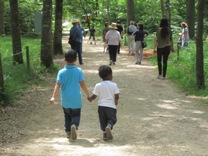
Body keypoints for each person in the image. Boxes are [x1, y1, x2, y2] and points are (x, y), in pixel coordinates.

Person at [49, 49, 90, 140]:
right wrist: (88, 95)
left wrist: (53, 97)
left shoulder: (61, 72)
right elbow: (82, 84)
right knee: (76, 115)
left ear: (64, 60)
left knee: (67, 115)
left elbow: (57, 85)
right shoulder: (78, 71)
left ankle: (68, 132)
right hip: (76, 98)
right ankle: (74, 125)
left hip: (66, 99)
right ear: (76, 60)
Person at [87, 65, 119, 141]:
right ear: (110, 75)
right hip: (111, 106)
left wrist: (90, 98)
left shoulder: (98, 85)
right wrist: (116, 101)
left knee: (103, 120)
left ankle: (105, 134)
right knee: (112, 119)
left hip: (101, 106)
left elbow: (94, 96)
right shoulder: (114, 85)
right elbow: (116, 95)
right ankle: (109, 126)